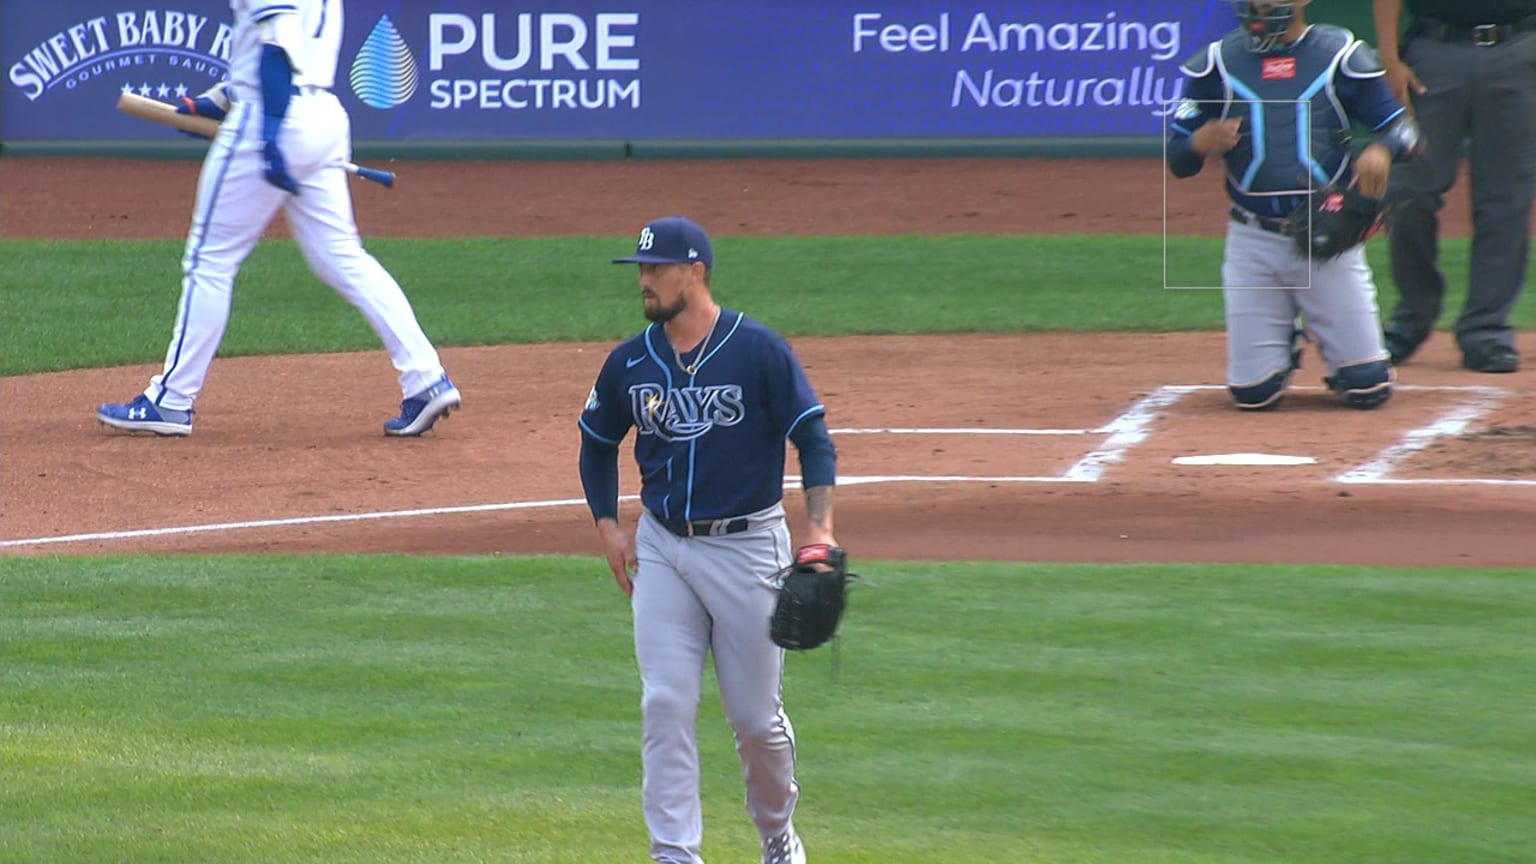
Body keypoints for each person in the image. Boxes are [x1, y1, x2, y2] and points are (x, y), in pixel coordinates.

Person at [577, 216, 837, 864]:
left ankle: (777, 835)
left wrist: (820, 530)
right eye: (640, 269)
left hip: (748, 549)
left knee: (754, 721)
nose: (644, 280)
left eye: (656, 269)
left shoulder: (758, 351)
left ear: (695, 272)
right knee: (665, 702)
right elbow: (597, 443)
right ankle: (673, 853)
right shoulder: (629, 361)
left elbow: (813, 438)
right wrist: (609, 528)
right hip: (663, 548)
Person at [96, 0, 460, 437]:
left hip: (273, 113)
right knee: (342, 256)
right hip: (323, 116)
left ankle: (170, 400)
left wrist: (268, 132)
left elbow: (278, 48)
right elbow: (288, 51)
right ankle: (425, 378)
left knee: (209, 260)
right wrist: (214, 101)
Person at [1166, 0, 1422, 409]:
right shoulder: (1216, 65)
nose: (1261, 5)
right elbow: (1178, 158)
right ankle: (1281, 345)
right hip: (1253, 239)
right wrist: (1198, 142)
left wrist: (1382, 149)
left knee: (1366, 387)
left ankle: (1344, 355)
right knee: (1253, 395)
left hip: (1326, 236)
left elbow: (1406, 132)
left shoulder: (1340, 55)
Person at [1373, 0, 1536, 372]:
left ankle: (1486, 331)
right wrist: (1389, 58)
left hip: (1517, 48)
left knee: (1505, 198)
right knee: (1407, 189)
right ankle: (1414, 313)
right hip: (1434, 49)